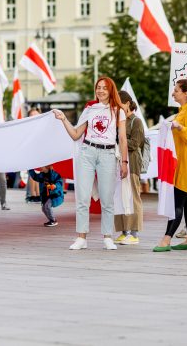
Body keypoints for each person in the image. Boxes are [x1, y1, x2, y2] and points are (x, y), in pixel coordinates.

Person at [54, 76, 128, 251]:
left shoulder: (118, 110)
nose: (100, 90)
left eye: (104, 88)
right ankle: (81, 237)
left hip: (108, 153)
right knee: (83, 197)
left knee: (107, 198)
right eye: (98, 87)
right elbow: (76, 134)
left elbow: (123, 139)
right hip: (87, 152)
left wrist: (124, 162)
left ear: (111, 90)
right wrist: (64, 119)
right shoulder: (89, 109)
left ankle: (108, 237)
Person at [154, 79, 187, 252]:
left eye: (176, 90)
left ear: (185, 93)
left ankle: (166, 240)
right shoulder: (184, 110)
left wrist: (178, 127)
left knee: (178, 202)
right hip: (184, 161)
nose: (173, 93)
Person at [113, 91, 144, 245]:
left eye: (118, 104)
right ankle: (123, 231)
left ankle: (134, 232)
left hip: (132, 163)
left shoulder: (135, 121)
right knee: (120, 197)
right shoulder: (118, 120)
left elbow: (136, 143)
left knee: (133, 197)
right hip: (118, 163)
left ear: (126, 103)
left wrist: (119, 142)